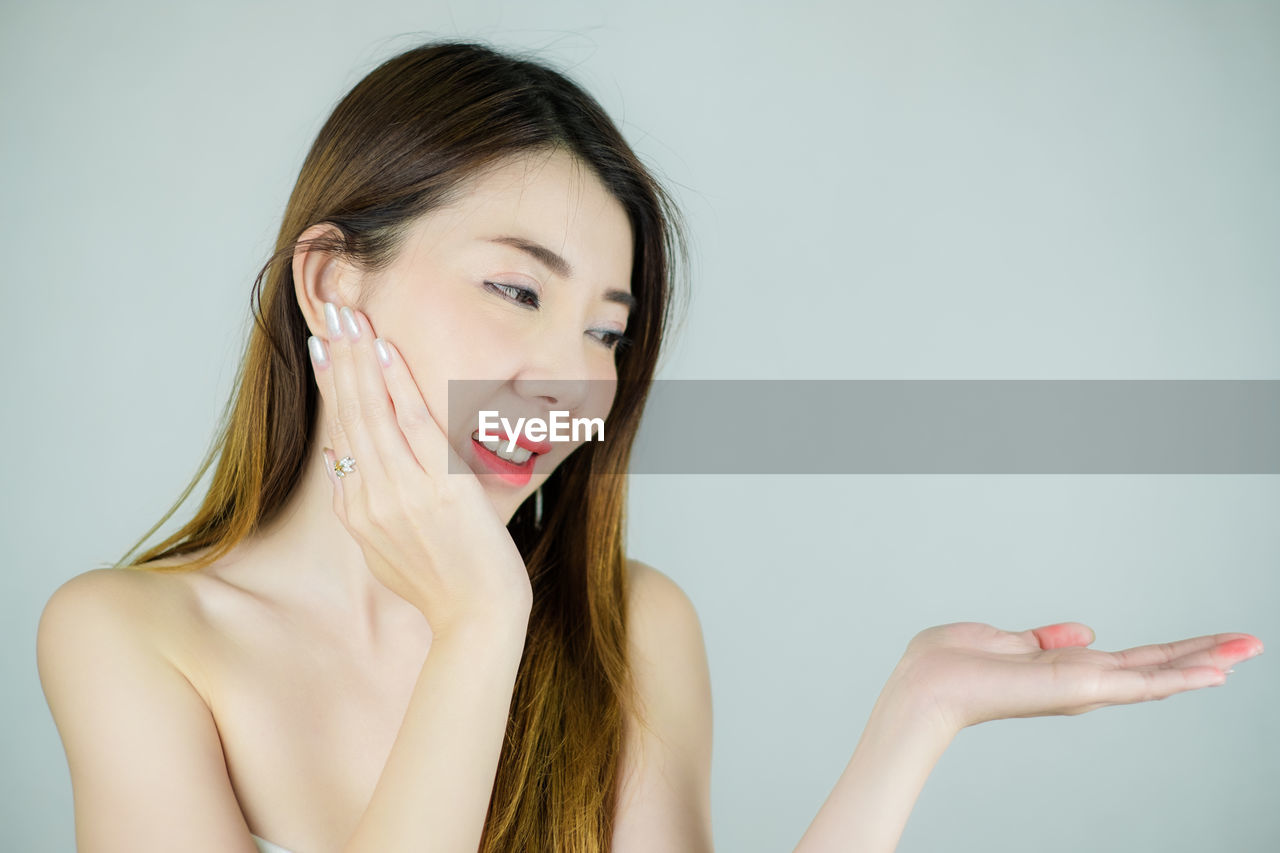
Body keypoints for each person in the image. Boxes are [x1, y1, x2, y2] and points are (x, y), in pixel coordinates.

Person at [35, 39, 1263, 853]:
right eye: (515, 290)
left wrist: (917, 714)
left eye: (605, 331)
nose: (572, 376)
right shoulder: (129, 637)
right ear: (329, 282)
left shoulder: (633, 625)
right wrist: (476, 623)